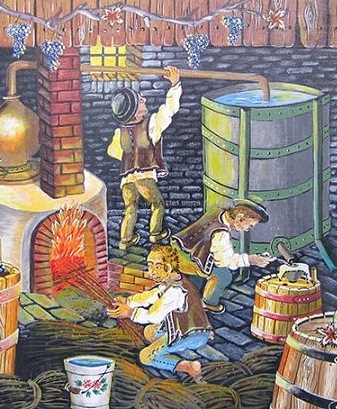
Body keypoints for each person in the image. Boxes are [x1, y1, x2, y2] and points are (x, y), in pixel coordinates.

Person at [108, 245, 212, 381]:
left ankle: (189, 367)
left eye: (156, 266)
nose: (151, 271)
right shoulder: (172, 279)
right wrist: (128, 301)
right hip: (186, 328)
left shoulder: (175, 291)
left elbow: (154, 316)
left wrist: (130, 313)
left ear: (167, 268)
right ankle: (168, 346)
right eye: (149, 265)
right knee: (149, 332)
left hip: (190, 335)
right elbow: (151, 296)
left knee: (145, 357)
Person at [107, 66, 181, 250]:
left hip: (126, 179)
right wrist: (174, 85)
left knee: (130, 208)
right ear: (134, 111)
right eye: (141, 101)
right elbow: (170, 110)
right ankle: (156, 234)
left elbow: (112, 151)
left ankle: (125, 240)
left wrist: (130, 156)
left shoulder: (120, 132)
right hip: (145, 176)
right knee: (157, 203)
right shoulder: (151, 124)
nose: (145, 100)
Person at [171, 196, 272, 314]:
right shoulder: (221, 233)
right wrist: (250, 260)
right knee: (224, 275)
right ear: (240, 217)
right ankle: (208, 303)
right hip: (186, 259)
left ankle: (193, 291)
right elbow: (224, 262)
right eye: (249, 226)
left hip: (180, 247)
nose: (247, 229)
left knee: (207, 264)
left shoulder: (218, 212)